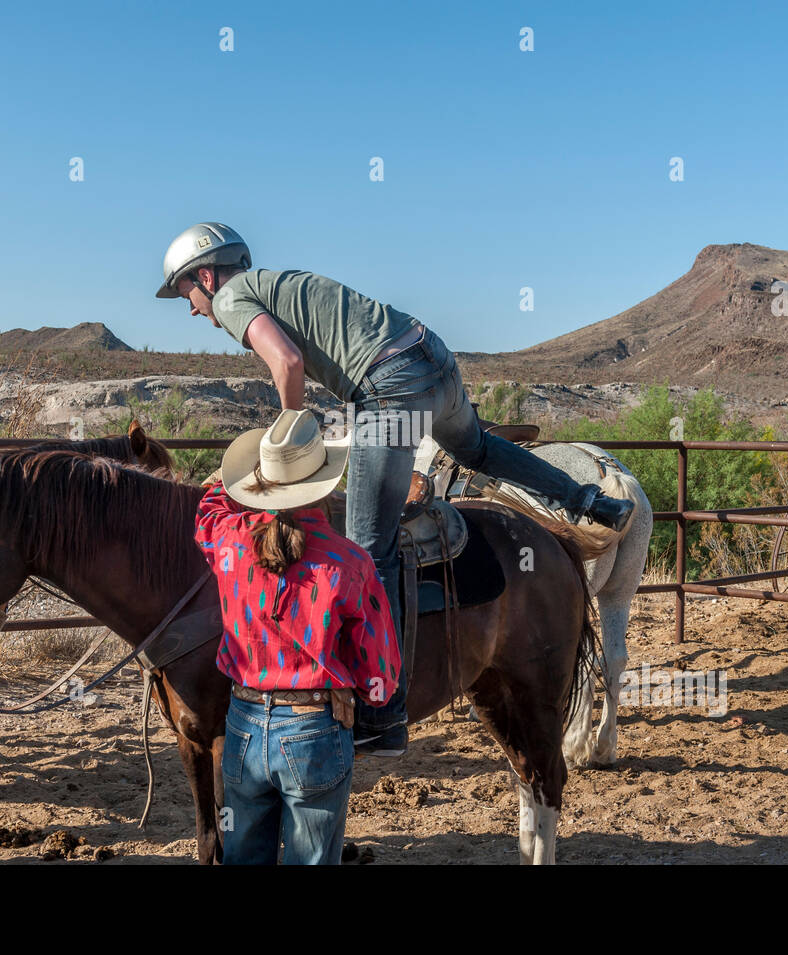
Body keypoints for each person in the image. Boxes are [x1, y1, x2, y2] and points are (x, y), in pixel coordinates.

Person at [158, 222, 634, 757]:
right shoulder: (277, 281)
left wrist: (287, 438)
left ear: (205, 275)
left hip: (390, 390)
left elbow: (286, 361)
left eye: (185, 294)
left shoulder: (230, 297)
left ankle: (383, 710)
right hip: (433, 359)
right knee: (476, 448)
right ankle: (590, 500)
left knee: (367, 545)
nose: (193, 309)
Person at [194, 409, 399, 865]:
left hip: (243, 723)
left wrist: (230, 482)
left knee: (244, 852)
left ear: (261, 481)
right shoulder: (350, 562)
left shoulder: (228, 540)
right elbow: (380, 676)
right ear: (324, 482)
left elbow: (209, 508)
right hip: (314, 730)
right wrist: (360, 690)